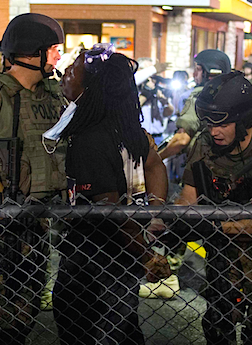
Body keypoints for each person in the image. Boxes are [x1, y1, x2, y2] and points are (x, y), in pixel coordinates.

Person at [0, 13, 68, 345]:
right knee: (9, 310)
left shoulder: (53, 92)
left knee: (31, 302)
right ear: (31, 52)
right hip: (4, 219)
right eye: (52, 50)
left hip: (41, 217)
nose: (58, 57)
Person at [55, 42, 170, 345]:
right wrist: (154, 217)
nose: (65, 75)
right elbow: (156, 165)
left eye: (72, 71)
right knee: (123, 328)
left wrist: (147, 254)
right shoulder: (126, 128)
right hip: (124, 252)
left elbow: (110, 210)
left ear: (92, 87)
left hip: (92, 258)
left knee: (89, 332)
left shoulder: (90, 139)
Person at [177, 72, 252, 344]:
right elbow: (187, 199)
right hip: (221, 257)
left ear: (244, 119)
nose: (214, 131)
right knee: (216, 326)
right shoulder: (204, 144)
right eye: (210, 122)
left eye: (223, 123)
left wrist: (217, 225)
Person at [157, 49, 231, 160]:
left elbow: (182, 139)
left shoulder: (201, 96)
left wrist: (157, 159)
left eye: (198, 69)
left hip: (204, 164)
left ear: (210, 72)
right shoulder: (232, 92)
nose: (194, 74)